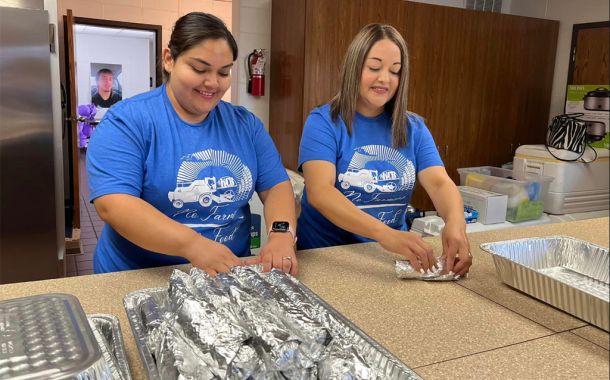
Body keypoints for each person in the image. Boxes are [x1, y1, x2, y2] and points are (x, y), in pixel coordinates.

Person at [87, 12, 297, 276]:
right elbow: (115, 204)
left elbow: (276, 185)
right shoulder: (128, 122)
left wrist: (281, 235)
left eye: (224, 72)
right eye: (199, 69)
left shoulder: (245, 125)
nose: (212, 83)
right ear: (169, 60)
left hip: (225, 276)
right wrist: (192, 245)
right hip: (141, 276)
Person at [297, 23, 472, 276]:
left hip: (387, 258)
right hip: (329, 257)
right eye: (374, 68)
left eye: (395, 71)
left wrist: (455, 223)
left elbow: (439, 183)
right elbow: (320, 192)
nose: (384, 79)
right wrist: (384, 233)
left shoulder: (413, 128)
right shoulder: (324, 122)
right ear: (354, 68)